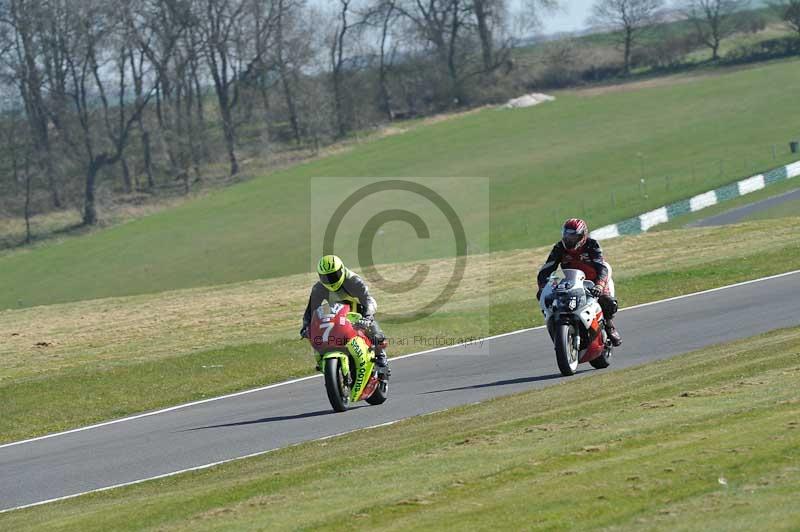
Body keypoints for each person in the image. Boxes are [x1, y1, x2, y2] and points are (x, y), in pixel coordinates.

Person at [536, 218, 622, 346]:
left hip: (594, 280)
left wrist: (599, 285)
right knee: (547, 297)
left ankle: (609, 326)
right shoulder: (559, 248)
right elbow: (546, 269)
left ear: (582, 236)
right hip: (572, 281)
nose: (569, 240)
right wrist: (543, 287)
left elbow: (601, 267)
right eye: (567, 236)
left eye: (573, 237)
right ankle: (559, 328)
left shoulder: (592, 245)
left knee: (607, 300)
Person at [301, 255, 390, 373]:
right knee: (318, 331)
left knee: (371, 327)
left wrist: (367, 317)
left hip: (358, 308)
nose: (330, 280)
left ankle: (380, 356)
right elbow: (310, 311)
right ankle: (323, 358)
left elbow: (367, 300)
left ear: (342, 270)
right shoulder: (319, 288)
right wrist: (306, 326)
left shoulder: (353, 281)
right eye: (326, 277)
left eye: (333, 276)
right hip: (337, 313)